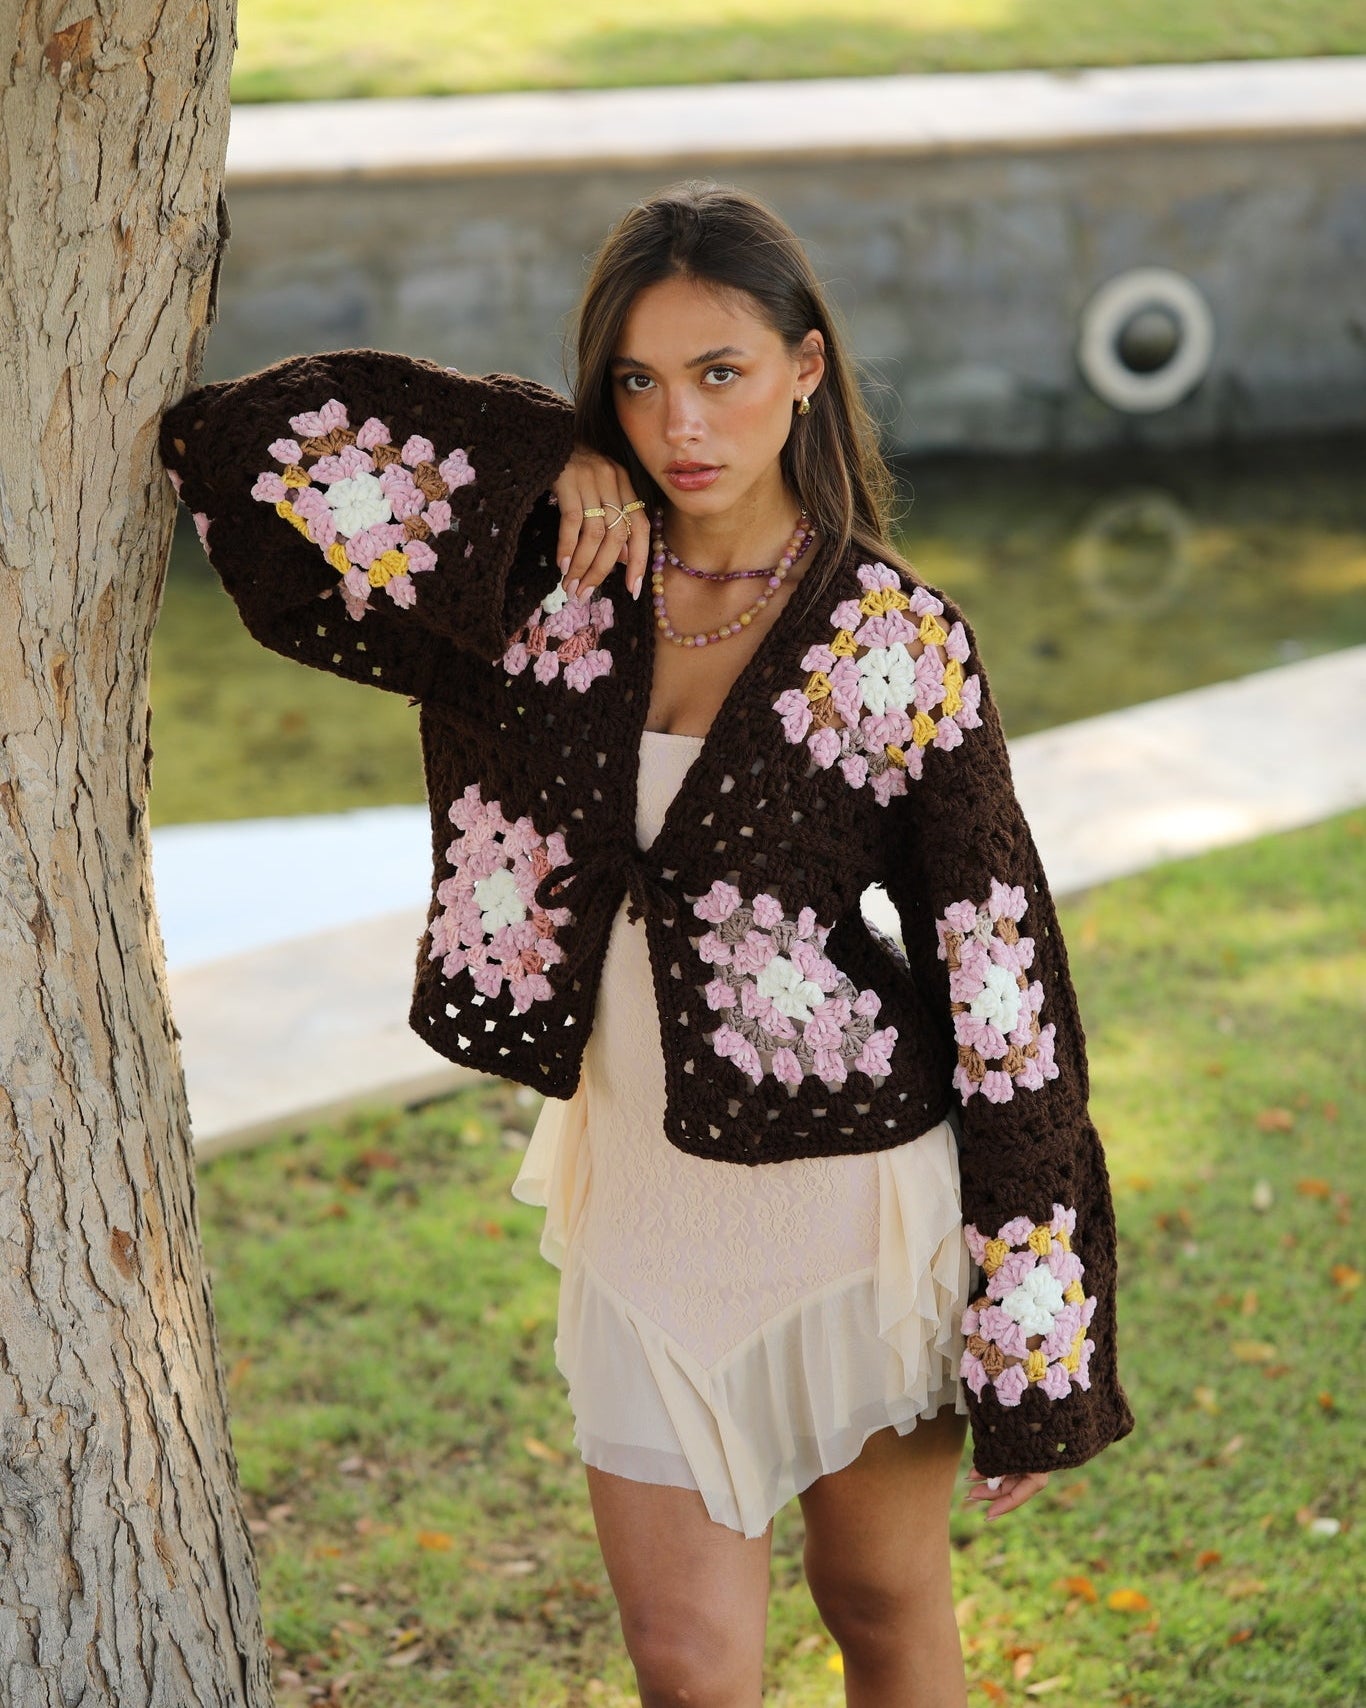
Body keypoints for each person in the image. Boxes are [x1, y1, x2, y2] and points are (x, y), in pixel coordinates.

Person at [160, 181, 1133, 1708]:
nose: (680, 422)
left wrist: (1033, 1310)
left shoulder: (893, 641)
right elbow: (232, 453)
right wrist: (525, 446)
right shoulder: (538, 584)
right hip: (639, 1226)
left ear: (806, 368)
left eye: (722, 373)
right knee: (684, 1670)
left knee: (879, 1609)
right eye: (638, 380)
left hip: (854, 1217)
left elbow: (1000, 981)